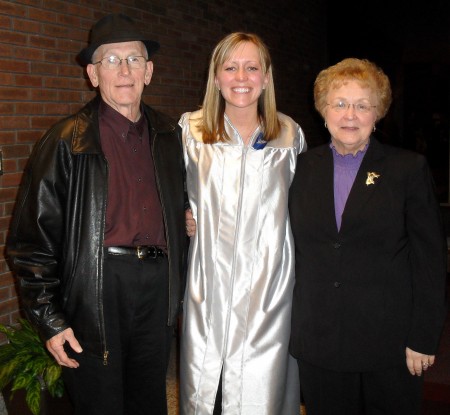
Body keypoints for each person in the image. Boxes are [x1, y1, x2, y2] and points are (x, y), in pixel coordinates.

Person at [6, 13, 187, 415]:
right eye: (111, 60)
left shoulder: (170, 138)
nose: (124, 71)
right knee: (99, 402)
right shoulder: (65, 141)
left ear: (150, 71)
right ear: (92, 73)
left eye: (135, 60)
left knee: (149, 400)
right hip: (96, 287)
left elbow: (187, 206)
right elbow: (30, 244)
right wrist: (50, 319)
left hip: (157, 289)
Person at [289, 57, 447, 415]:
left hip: (390, 346)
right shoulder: (299, 168)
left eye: (362, 106)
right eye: (340, 103)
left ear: (378, 114)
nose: (350, 115)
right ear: (323, 110)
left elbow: (430, 262)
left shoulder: (408, 168)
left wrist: (423, 337)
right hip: (320, 341)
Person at [179, 32, 306, 414]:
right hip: (209, 283)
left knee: (262, 388)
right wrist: (184, 213)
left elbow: (301, 205)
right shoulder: (191, 131)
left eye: (252, 68)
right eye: (230, 67)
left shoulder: (289, 134)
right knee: (206, 385)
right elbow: (167, 190)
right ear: (215, 77)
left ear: (266, 78)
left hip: (268, 286)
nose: (241, 77)